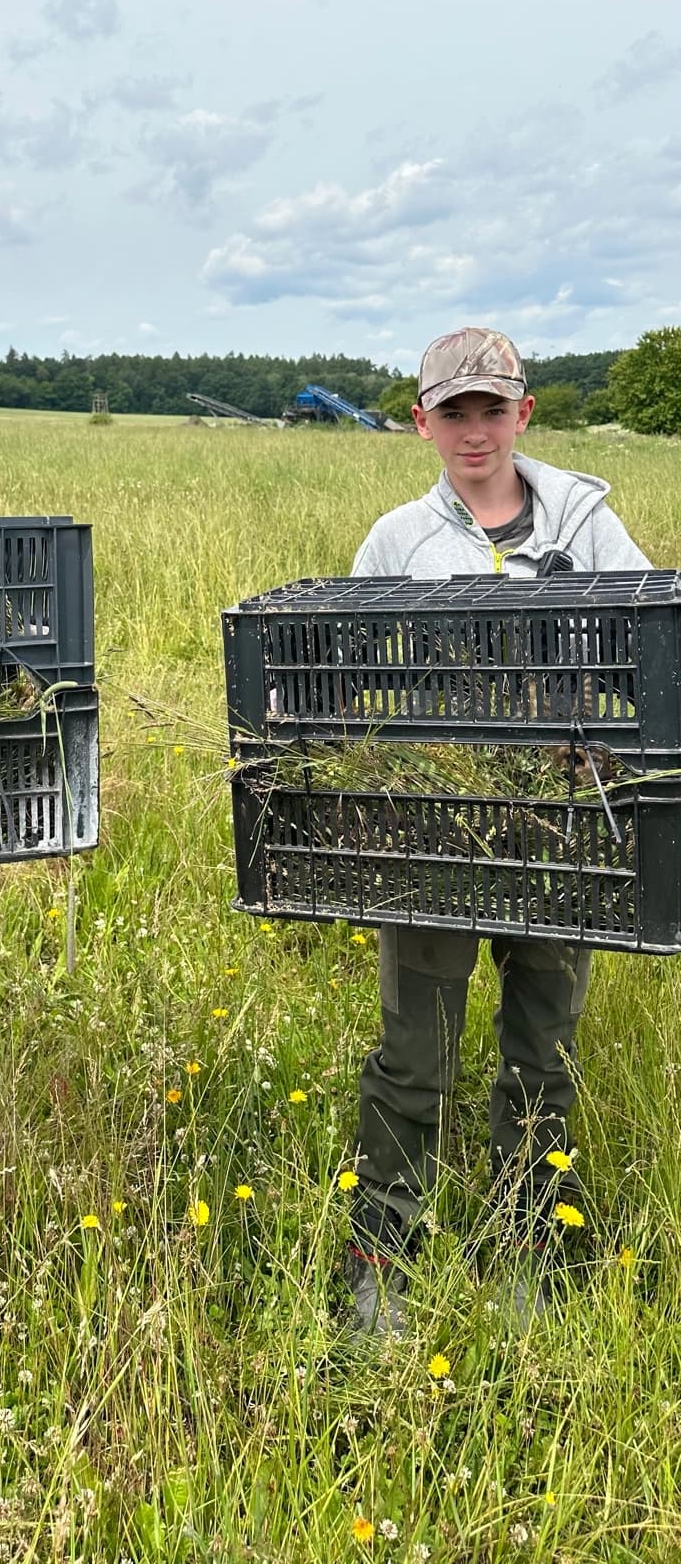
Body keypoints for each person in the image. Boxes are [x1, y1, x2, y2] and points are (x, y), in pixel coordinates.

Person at [345, 327, 649, 1334]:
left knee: (542, 1049)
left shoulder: (592, 526)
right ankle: (382, 1256)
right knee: (412, 1051)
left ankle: (524, 1247)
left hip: (560, 827)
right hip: (438, 828)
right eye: (452, 412)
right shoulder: (398, 542)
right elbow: (350, 688)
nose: (473, 431)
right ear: (423, 422)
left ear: (523, 414)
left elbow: (653, 647)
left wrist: (596, 750)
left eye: (492, 410)